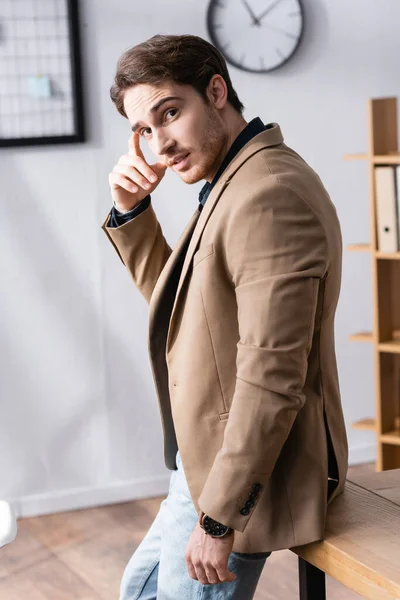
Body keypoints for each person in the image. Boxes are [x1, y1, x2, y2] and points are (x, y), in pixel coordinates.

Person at [101, 34, 348, 600]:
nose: (160, 144)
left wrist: (218, 518)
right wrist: (132, 213)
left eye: (169, 113)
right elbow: (192, 312)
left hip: (240, 470)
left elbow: (273, 376)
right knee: (137, 592)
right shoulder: (231, 182)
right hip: (203, 458)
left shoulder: (269, 194)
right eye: (144, 129)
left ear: (216, 91)